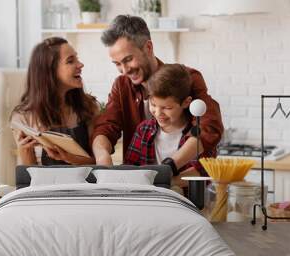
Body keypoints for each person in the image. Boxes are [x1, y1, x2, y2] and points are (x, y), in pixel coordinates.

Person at [92, 15, 223, 178]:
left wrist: (168, 169)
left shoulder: (187, 78)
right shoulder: (121, 85)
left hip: (183, 183)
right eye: (117, 64)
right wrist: (102, 157)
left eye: (128, 59)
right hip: (141, 188)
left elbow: (209, 126)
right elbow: (106, 127)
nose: (124, 70)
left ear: (148, 47)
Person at [10, 37, 99, 165]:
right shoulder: (23, 117)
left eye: (77, 58)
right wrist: (24, 151)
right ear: (50, 71)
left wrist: (69, 157)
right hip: (44, 184)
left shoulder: (88, 107)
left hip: (83, 184)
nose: (80, 65)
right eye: (70, 61)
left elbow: (98, 163)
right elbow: (28, 178)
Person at [125, 64, 214, 187]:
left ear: (186, 102)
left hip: (184, 202)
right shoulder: (143, 130)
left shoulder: (199, 134)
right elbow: (130, 166)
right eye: (153, 104)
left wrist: (163, 183)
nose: (158, 113)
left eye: (167, 107)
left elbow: (204, 173)